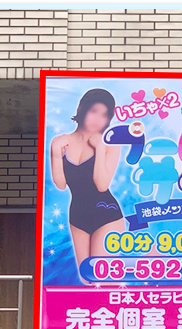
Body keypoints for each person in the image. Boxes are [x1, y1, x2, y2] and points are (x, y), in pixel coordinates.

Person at [50, 88, 125, 284]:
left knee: (101, 275)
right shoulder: (60, 142)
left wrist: (99, 149)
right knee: (86, 277)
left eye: (104, 115)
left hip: (107, 215)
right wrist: (56, 153)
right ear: (81, 109)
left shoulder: (110, 143)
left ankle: (118, 302)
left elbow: (102, 185)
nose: (98, 119)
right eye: (94, 111)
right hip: (77, 215)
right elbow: (60, 184)